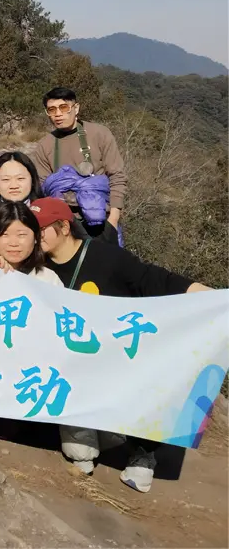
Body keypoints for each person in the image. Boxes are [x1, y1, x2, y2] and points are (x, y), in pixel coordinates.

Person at [31, 197, 211, 493]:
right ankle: (92, 440)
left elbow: (153, 279)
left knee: (148, 378)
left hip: (122, 356)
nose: (34, 237)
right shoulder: (37, 265)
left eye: (40, 229)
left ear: (63, 226)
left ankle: (144, 452)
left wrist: (211, 297)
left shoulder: (106, 257)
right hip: (75, 364)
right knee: (81, 447)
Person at [30, 87, 126, 244]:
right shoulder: (45, 145)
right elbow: (43, 187)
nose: (58, 114)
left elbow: (117, 176)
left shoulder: (99, 134)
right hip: (64, 222)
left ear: (76, 108)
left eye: (63, 107)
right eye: (51, 110)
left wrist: (113, 219)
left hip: (101, 218)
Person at [0, 151, 43, 223]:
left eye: (20, 178)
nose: (14, 186)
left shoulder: (48, 214)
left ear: (32, 180)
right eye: (6, 179)